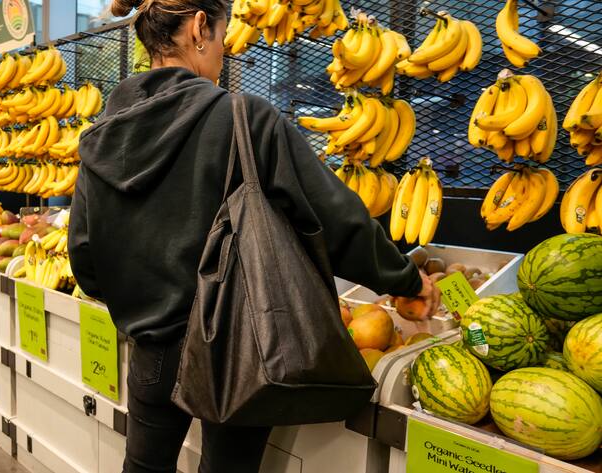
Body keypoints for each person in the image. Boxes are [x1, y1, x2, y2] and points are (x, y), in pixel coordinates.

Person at [67, 1, 441, 471]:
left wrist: (143, 307)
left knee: (144, 467)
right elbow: (335, 217)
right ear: (200, 27)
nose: (223, 54)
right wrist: (407, 280)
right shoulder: (245, 119)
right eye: (222, 36)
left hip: (151, 348)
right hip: (240, 346)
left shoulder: (101, 135)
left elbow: (84, 258)